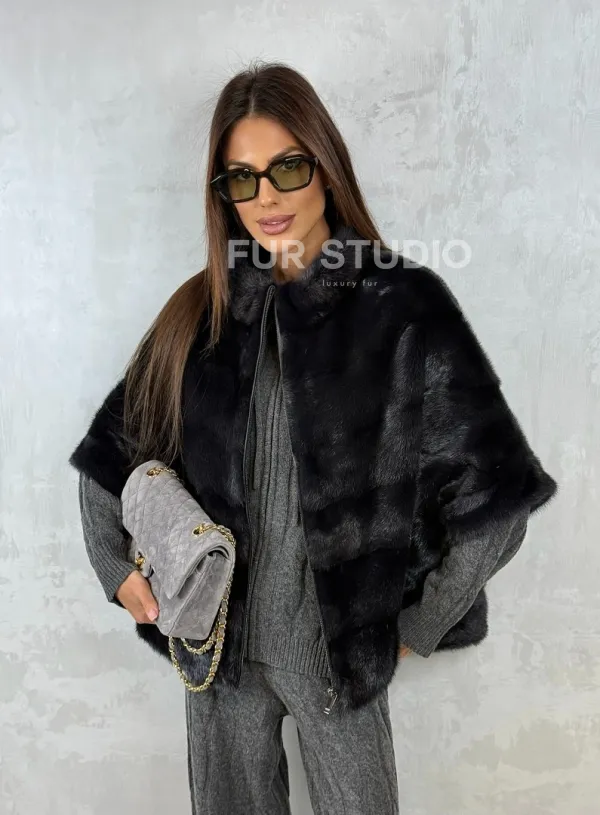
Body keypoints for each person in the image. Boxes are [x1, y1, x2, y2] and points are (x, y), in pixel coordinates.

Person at [69, 62, 557, 815]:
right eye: (241, 178)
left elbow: (497, 500)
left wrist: (421, 621)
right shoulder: (202, 312)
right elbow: (112, 453)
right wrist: (114, 566)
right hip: (217, 652)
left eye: (287, 168)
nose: (265, 198)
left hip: (336, 663)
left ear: (325, 166)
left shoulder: (401, 308)